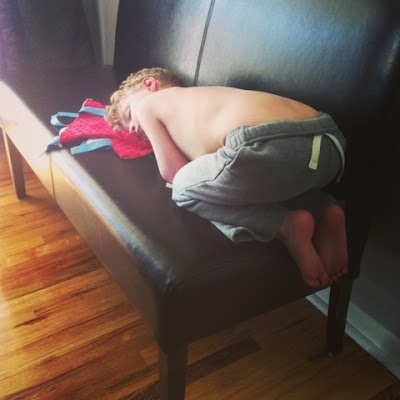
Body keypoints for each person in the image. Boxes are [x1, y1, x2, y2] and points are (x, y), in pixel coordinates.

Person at [105, 67, 348, 288]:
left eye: (128, 114)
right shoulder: (203, 100)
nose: (133, 129)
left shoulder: (149, 105)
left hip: (261, 145)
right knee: (243, 182)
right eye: (131, 132)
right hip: (329, 143)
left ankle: (285, 226)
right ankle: (322, 208)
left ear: (150, 85)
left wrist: (143, 119)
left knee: (182, 189)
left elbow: (173, 173)